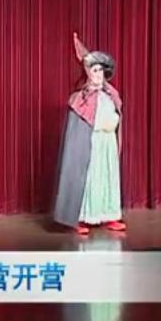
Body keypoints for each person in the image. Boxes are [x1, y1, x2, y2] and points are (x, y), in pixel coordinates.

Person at [52, 32, 126, 235]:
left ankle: (109, 215)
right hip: (90, 145)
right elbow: (78, 133)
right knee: (88, 178)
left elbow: (116, 118)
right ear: (88, 73)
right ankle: (80, 217)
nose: (98, 74)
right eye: (94, 70)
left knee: (107, 178)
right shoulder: (80, 99)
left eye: (101, 70)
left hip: (107, 144)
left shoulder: (110, 95)